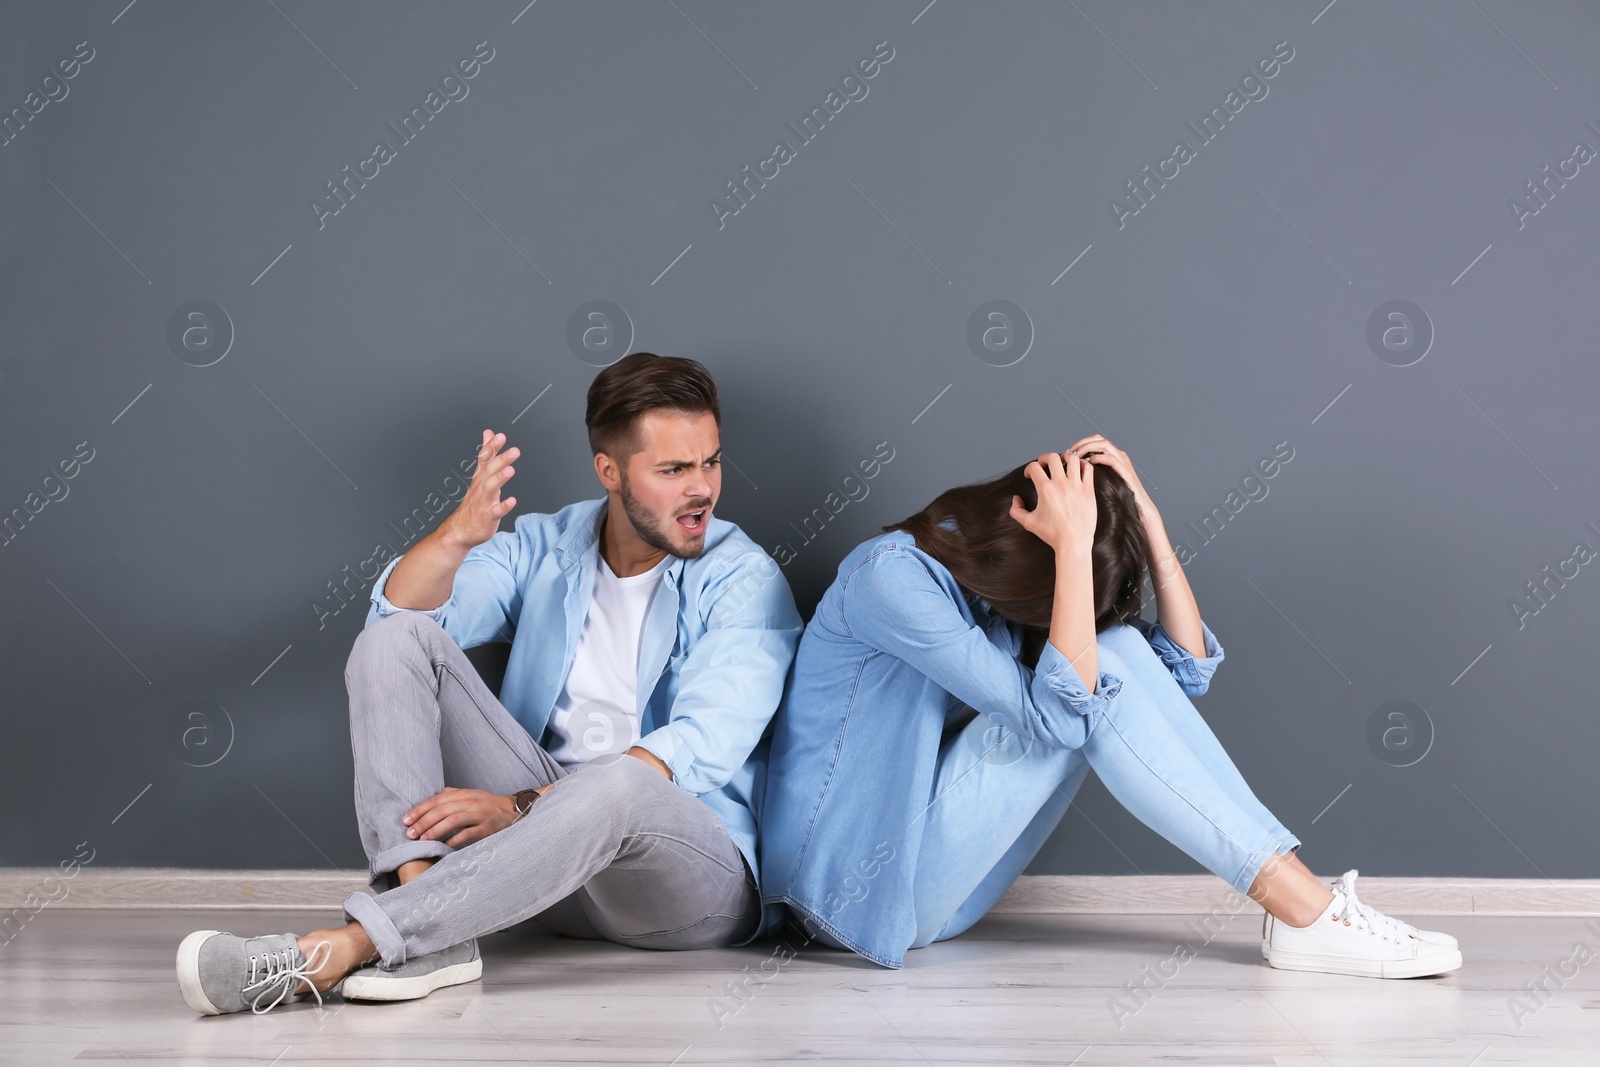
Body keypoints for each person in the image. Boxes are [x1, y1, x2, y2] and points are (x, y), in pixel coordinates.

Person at [176, 353, 803, 1015]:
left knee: (623, 780)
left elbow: (701, 744)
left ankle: (343, 947)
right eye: (673, 469)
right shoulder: (549, 544)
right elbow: (397, 618)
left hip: (682, 887)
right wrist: (454, 539)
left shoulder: (743, 581)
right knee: (392, 644)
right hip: (544, 877)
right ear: (610, 471)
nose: (701, 487)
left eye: (711, 461)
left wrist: (521, 806)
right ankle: (428, 929)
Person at [758, 436, 1461, 978]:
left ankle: (1301, 908)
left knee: (1113, 657)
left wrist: (1147, 519)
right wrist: (1070, 547)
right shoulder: (892, 579)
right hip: (850, 891)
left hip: (926, 887)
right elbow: (1064, 716)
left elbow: (1182, 672)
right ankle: (1305, 910)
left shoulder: (991, 591)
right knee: (1090, 679)